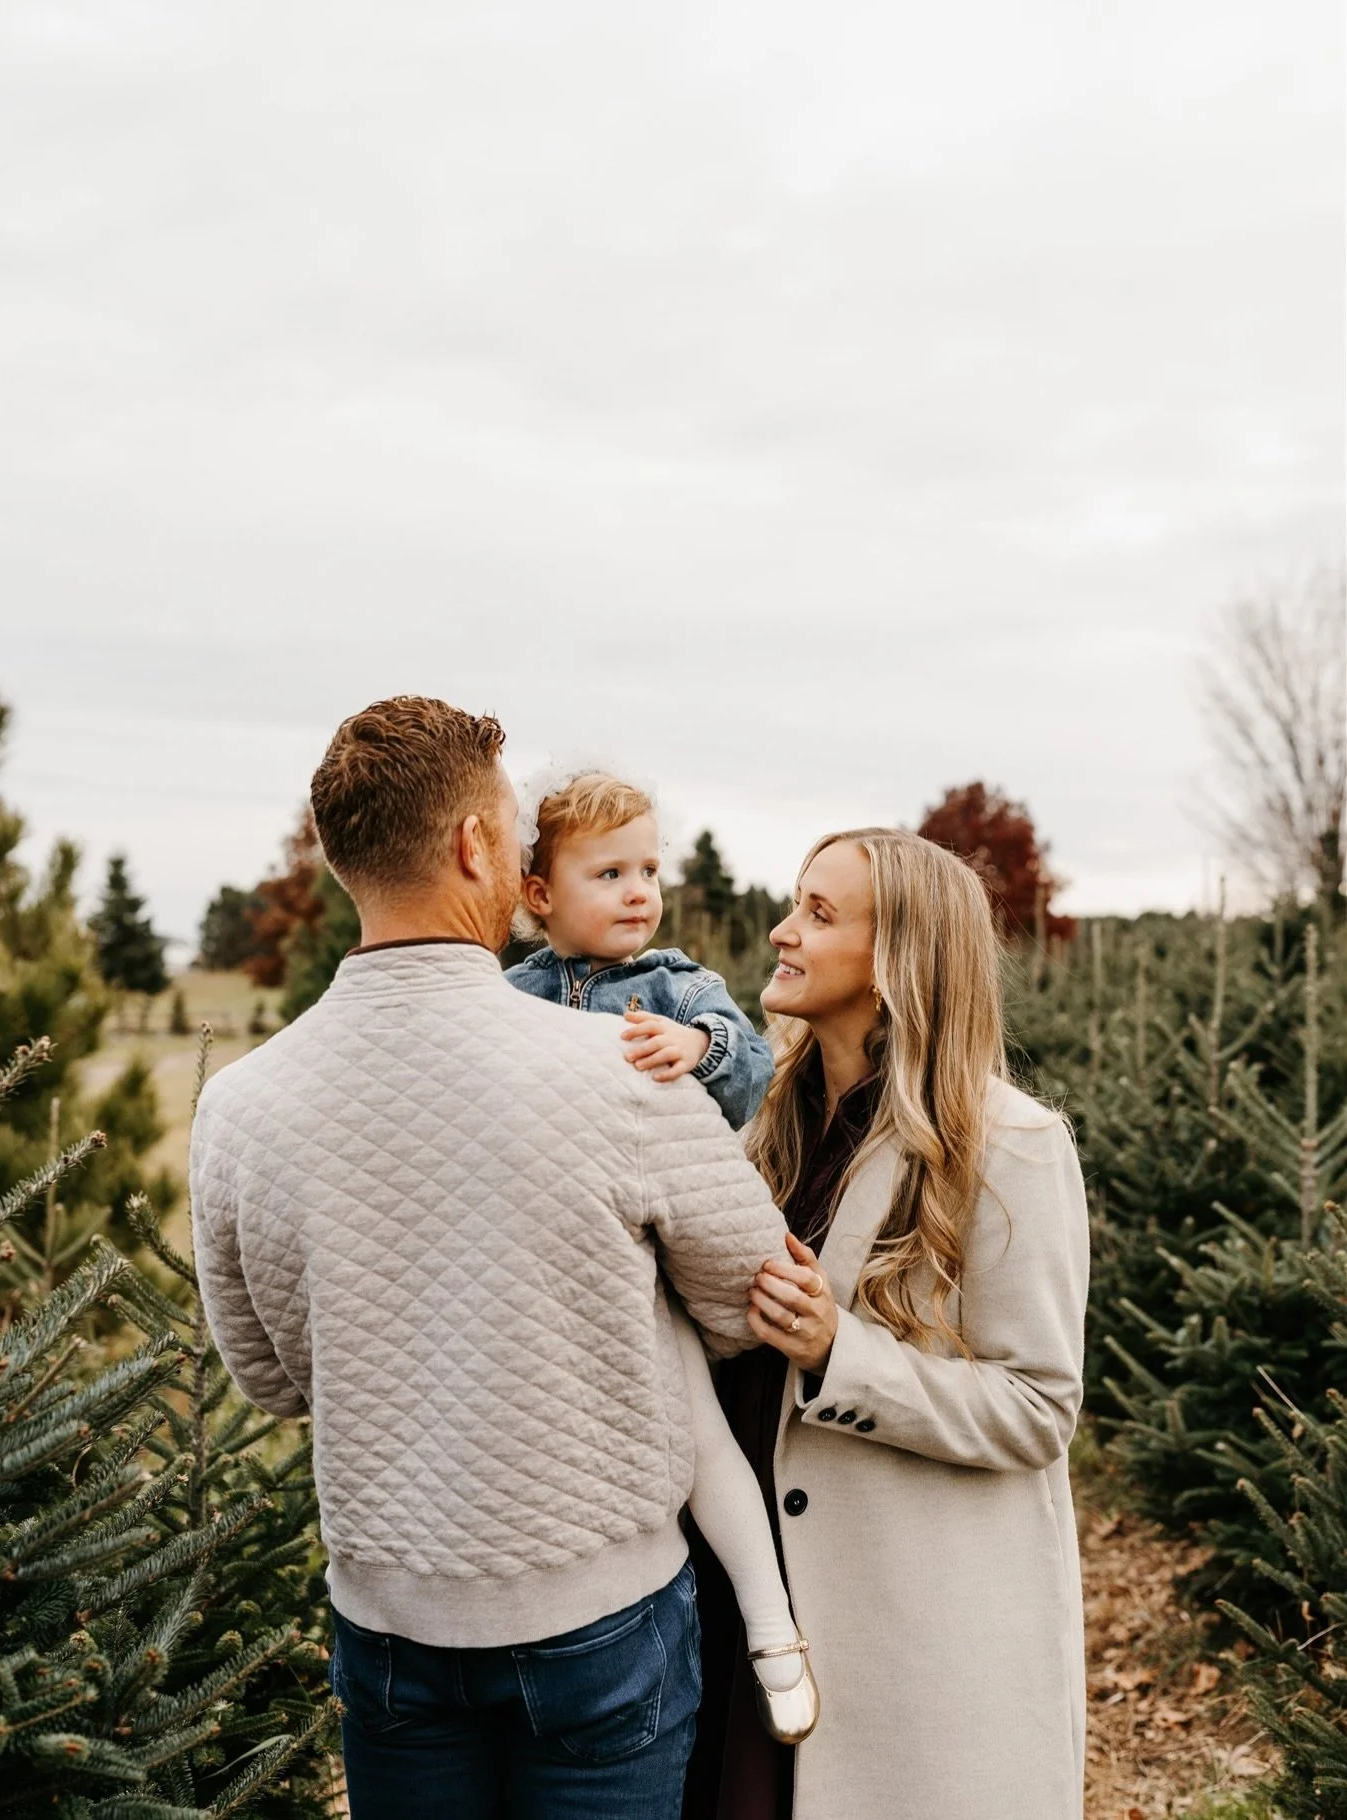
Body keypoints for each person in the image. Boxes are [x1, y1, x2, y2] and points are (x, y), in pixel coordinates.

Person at [188, 696, 790, 1820]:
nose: (520, 853)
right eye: (513, 831)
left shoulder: (239, 1106)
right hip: (602, 1619)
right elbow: (749, 1296)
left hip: (387, 1626)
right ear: (473, 846)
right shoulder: (621, 1067)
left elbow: (269, 1379)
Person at [684, 827, 1090, 1820]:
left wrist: (839, 1355)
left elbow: (1039, 1407)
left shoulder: (1009, 1145)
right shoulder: (766, 1129)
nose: (783, 931)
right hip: (737, 1594)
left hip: (893, 1618)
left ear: (898, 956)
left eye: (820, 914)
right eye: (794, 902)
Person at [505, 767, 818, 1743]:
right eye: (608, 872)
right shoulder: (505, 993)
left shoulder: (677, 985)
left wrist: (698, 1045)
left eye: (648, 867)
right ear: (540, 894)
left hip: (648, 1268)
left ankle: (773, 1629)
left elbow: (753, 1063)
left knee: (699, 1442)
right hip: (546, 1270)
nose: (640, 890)